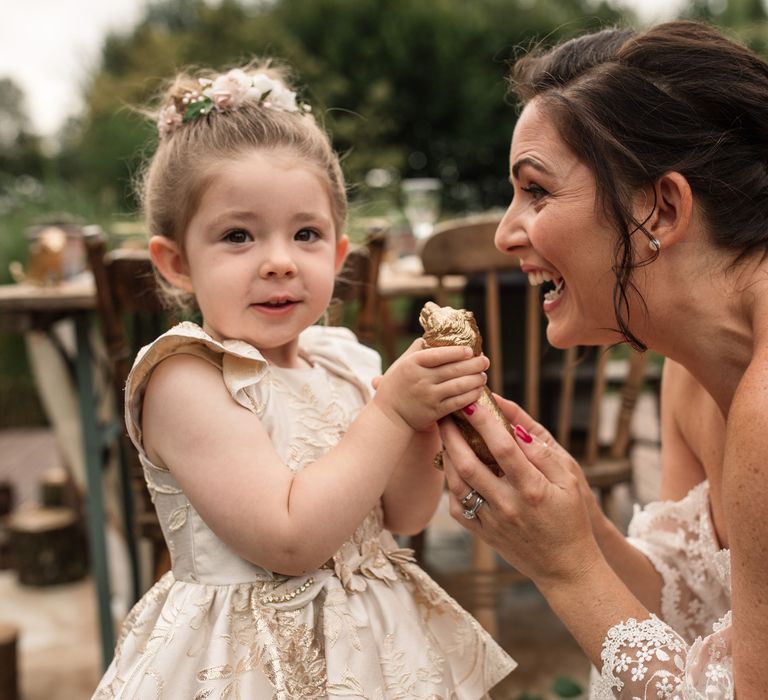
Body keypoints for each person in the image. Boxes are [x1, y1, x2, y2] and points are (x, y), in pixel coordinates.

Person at [91, 61, 516, 698]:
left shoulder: (345, 359)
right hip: (248, 660)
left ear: (339, 255)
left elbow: (405, 514)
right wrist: (394, 414)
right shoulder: (187, 377)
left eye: (307, 234)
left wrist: (426, 421)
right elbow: (288, 542)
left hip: (370, 648)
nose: (281, 262)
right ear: (176, 262)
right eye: (238, 235)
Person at [438, 20, 768, 699]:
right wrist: (575, 514)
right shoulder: (693, 376)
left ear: (661, 208)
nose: (505, 233)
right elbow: (694, 607)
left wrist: (565, 568)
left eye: (536, 191)